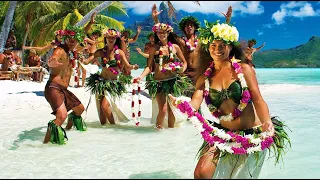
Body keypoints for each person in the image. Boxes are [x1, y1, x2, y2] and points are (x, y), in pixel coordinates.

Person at [169, 7, 290, 179]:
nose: (217, 49)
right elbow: (195, 101)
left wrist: (267, 123)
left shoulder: (245, 70)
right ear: (208, 49)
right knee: (201, 173)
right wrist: (182, 104)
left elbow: (258, 99)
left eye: (222, 45)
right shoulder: (205, 78)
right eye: (213, 46)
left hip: (250, 135)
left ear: (230, 48)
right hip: (221, 133)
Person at [135, 23, 190, 130]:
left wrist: (182, 69)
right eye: (159, 33)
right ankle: (158, 132)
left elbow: (184, 62)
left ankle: (170, 134)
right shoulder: (154, 48)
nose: (161, 34)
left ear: (168, 33)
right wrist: (141, 76)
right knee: (163, 109)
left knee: (172, 109)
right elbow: (149, 67)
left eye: (163, 32)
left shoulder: (175, 47)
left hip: (172, 81)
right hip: (159, 82)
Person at [83, 29, 139, 125]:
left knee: (105, 106)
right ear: (106, 38)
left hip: (111, 83)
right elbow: (87, 61)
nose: (111, 39)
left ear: (116, 38)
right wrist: (78, 57)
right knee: (101, 111)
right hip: (100, 82)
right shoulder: (101, 51)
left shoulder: (119, 52)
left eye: (113, 37)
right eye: (109, 37)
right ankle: (105, 132)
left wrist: (134, 67)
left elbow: (127, 66)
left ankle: (114, 126)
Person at [43, 25, 87, 145]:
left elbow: (84, 32)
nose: (72, 42)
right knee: (61, 115)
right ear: (65, 39)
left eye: (75, 39)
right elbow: (53, 58)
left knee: (80, 109)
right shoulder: (60, 50)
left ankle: (68, 129)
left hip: (63, 90)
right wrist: (52, 62)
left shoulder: (70, 53)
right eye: (70, 39)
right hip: (53, 88)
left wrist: (90, 24)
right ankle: (44, 144)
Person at [151, 4, 201, 93]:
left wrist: (227, 21)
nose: (189, 27)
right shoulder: (181, 41)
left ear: (195, 27)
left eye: (191, 25)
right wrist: (156, 19)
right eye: (186, 25)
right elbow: (163, 34)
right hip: (184, 73)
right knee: (183, 100)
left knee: (196, 100)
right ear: (183, 28)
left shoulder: (200, 42)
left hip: (197, 73)